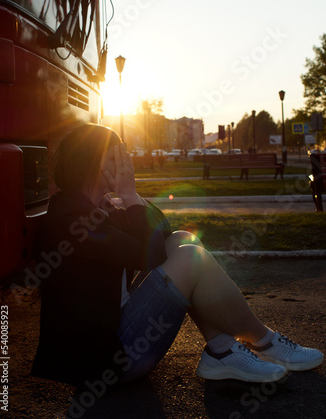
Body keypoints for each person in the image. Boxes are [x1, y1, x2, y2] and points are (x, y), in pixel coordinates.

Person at [32, 124, 323, 389]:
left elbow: (165, 233)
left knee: (183, 240)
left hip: (115, 338)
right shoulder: (71, 219)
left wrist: (132, 197)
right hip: (104, 364)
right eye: (117, 156)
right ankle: (267, 342)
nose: (126, 164)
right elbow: (150, 254)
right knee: (188, 260)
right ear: (91, 163)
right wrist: (130, 196)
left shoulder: (97, 207)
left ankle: (221, 350)